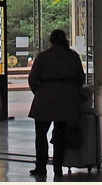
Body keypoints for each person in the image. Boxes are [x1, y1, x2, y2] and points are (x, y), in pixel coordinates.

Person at [28, 29, 85, 178]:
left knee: (41, 135)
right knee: (61, 135)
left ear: (51, 41)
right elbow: (80, 78)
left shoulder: (43, 57)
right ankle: (58, 167)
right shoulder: (73, 56)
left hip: (44, 98)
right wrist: (71, 92)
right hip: (66, 99)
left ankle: (41, 165)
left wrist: (40, 93)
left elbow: (33, 79)